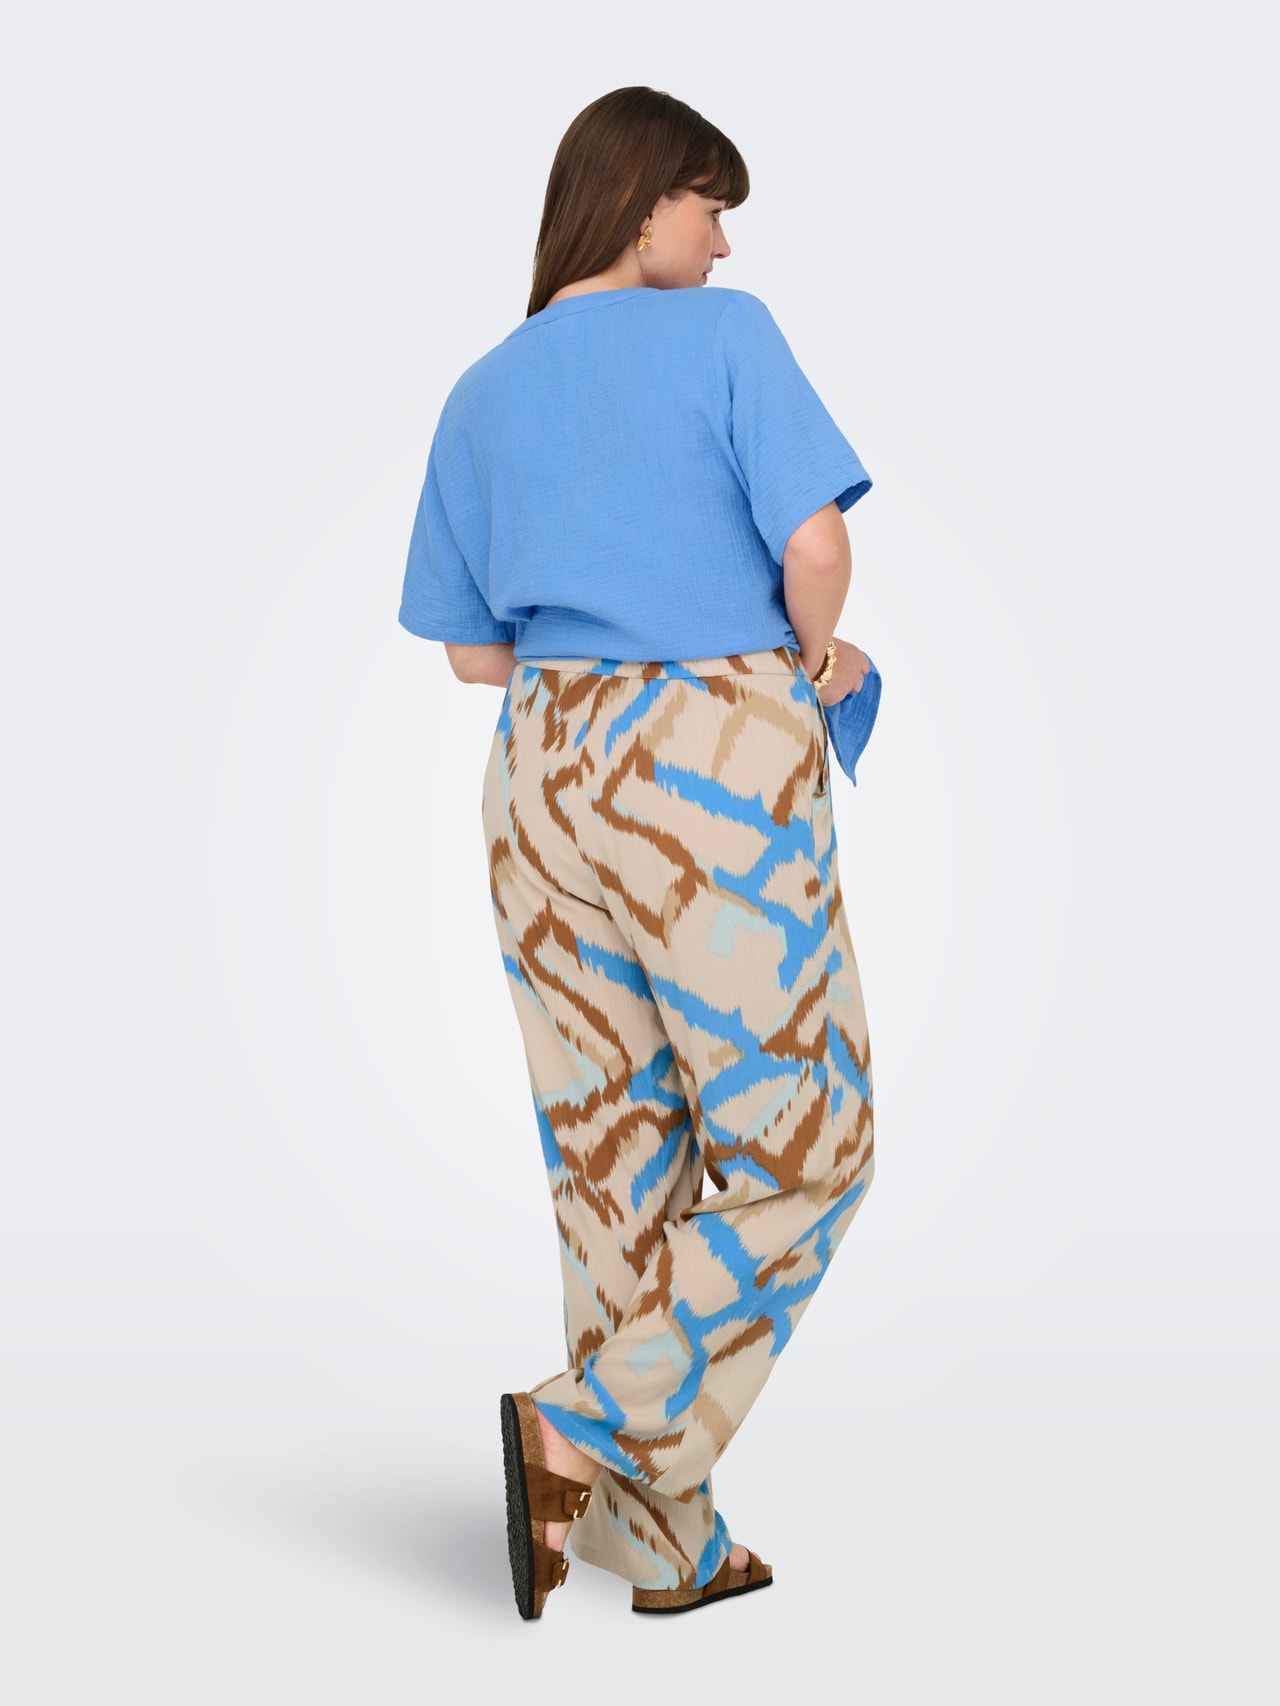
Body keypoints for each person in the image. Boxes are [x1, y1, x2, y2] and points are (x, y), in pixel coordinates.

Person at [398, 86, 878, 1620]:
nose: (722, 244)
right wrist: (820, 659)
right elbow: (816, 544)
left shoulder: (481, 389)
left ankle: (658, 1543)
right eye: (708, 206)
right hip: (705, 759)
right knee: (810, 1148)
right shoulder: (724, 337)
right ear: (639, 199)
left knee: (616, 1161)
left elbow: (472, 654)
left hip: (540, 762)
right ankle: (584, 1420)